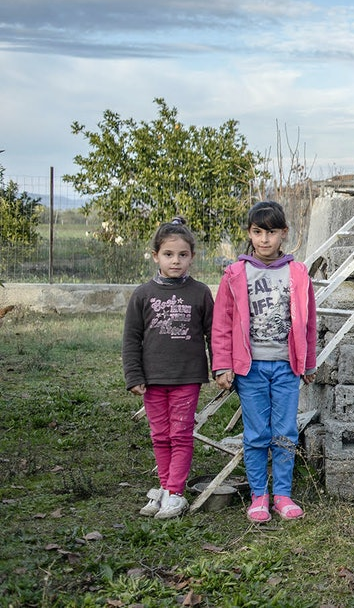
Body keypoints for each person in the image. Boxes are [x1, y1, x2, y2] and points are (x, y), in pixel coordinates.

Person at [212, 201, 317, 523]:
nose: (264, 240)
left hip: (286, 367)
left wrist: (308, 363)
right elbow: (222, 323)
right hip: (250, 368)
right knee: (257, 433)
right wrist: (222, 365)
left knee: (285, 431)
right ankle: (259, 495)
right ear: (250, 234)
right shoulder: (235, 274)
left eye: (271, 232)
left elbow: (309, 322)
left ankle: (282, 495)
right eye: (258, 232)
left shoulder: (297, 273)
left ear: (284, 234)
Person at [123, 216, 214, 520]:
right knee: (160, 435)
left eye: (183, 255)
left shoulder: (201, 293)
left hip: (187, 377)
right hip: (152, 379)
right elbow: (132, 338)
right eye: (169, 254)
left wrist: (221, 368)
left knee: (181, 434)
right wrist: (133, 375)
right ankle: (165, 487)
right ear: (155, 256)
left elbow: (214, 334)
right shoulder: (142, 295)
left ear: (192, 257)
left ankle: (176, 493)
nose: (176, 261)